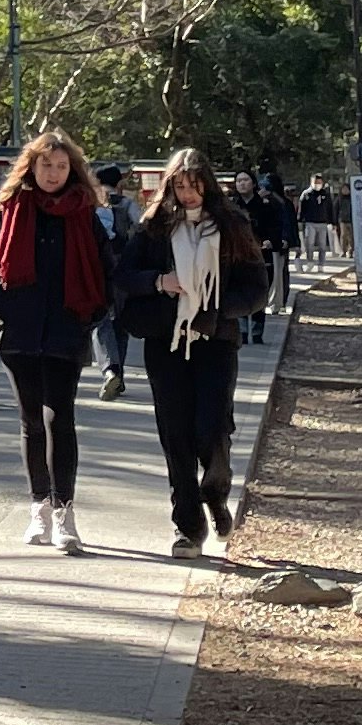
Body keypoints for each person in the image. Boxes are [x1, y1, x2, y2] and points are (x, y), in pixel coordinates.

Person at [0, 131, 113, 553]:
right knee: (31, 420)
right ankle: (39, 506)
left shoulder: (85, 213)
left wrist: (93, 311)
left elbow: (108, 267)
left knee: (60, 418)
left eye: (62, 166)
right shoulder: (8, 208)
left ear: (73, 171)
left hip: (67, 328)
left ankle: (65, 511)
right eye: (46, 165)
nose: (53, 173)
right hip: (18, 327)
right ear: (31, 166)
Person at [116, 153, 260, 557]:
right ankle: (188, 526)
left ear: (208, 185)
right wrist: (160, 281)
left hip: (215, 342)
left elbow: (255, 288)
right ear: (169, 188)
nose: (188, 194)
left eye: (195, 185)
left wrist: (215, 312)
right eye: (179, 186)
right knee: (175, 435)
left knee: (212, 429)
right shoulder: (153, 228)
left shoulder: (233, 226)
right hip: (166, 341)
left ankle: (214, 491)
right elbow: (124, 277)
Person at [91, 163, 144, 400]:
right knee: (120, 323)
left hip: (98, 269)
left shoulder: (92, 206)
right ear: (118, 183)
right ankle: (118, 373)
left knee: (100, 321)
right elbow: (141, 229)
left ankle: (109, 369)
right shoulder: (127, 205)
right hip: (123, 267)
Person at [241, 171, 295, 342]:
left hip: (262, 254)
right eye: (238, 180)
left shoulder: (269, 205)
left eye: (246, 180)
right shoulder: (231, 206)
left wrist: (273, 241)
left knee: (259, 292)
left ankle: (257, 332)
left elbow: (277, 226)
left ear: (253, 183)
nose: (242, 184)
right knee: (240, 293)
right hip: (238, 256)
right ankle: (242, 332)